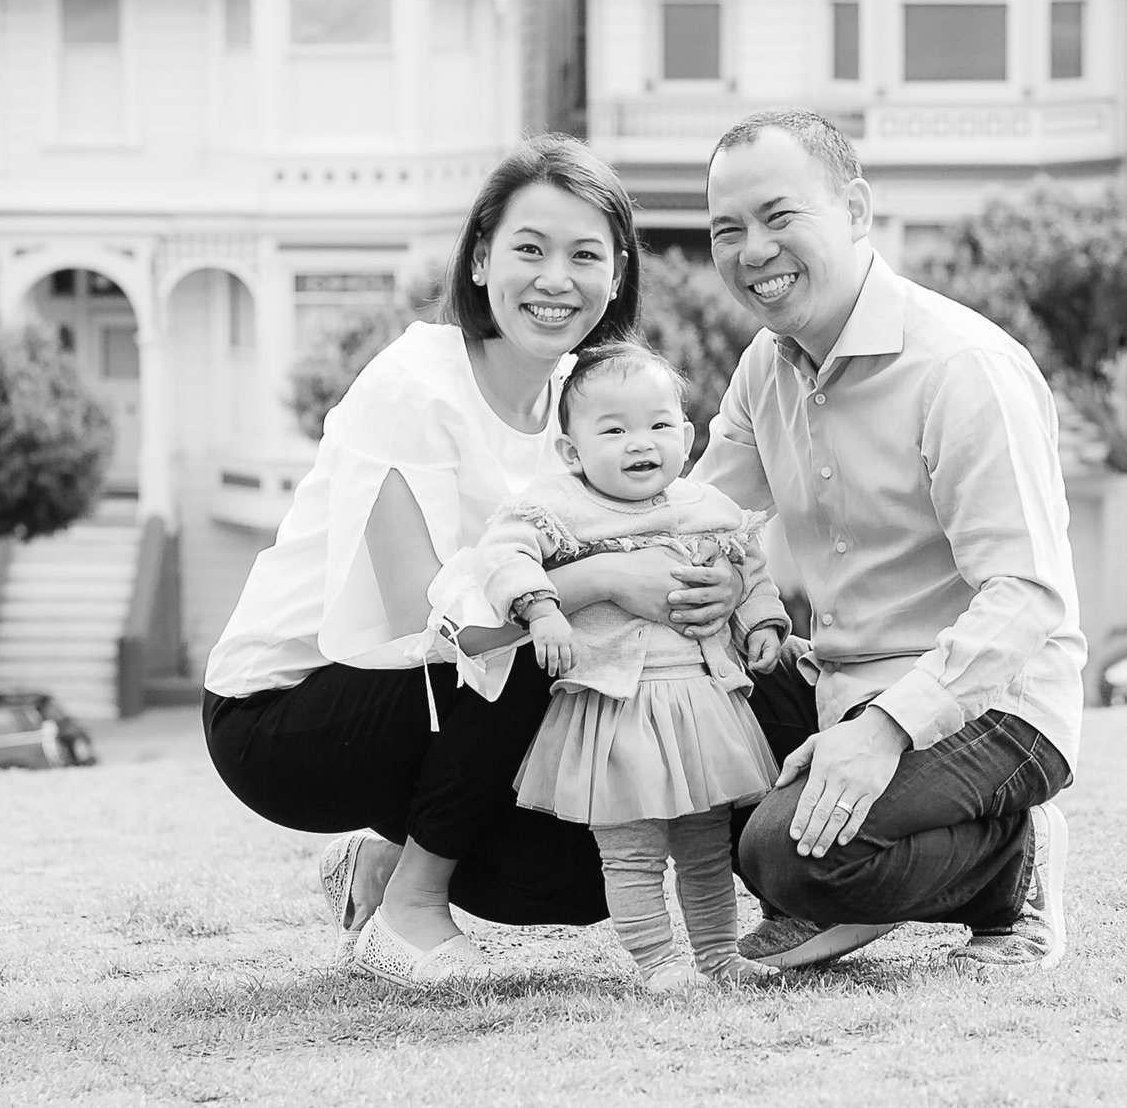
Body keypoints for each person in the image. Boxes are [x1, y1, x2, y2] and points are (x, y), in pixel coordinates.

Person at [202, 135, 750, 985]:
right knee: (533, 637)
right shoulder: (413, 383)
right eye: (529, 248)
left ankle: (380, 864)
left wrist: (711, 584)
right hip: (286, 712)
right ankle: (412, 908)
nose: (555, 278)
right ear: (483, 256)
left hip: (437, 704)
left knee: (579, 870)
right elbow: (430, 614)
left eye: (585, 255)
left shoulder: (585, 405)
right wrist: (601, 579)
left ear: (617, 274)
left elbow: (658, 531)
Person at [692, 108, 1087, 972]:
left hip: (995, 702)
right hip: (840, 679)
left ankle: (1009, 865)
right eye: (728, 229)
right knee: (684, 748)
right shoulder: (768, 365)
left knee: (780, 852)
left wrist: (884, 731)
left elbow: (1026, 599)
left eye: (779, 216)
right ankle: (835, 875)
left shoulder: (962, 368)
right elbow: (699, 519)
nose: (753, 249)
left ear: (857, 209)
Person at [449, 340, 789, 990]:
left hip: (698, 705)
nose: (642, 441)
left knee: (705, 844)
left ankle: (718, 955)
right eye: (615, 429)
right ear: (572, 450)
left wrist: (762, 621)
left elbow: (749, 568)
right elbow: (501, 554)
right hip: (615, 706)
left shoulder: (705, 507)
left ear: (687, 436)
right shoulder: (558, 506)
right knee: (631, 849)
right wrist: (542, 607)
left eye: (659, 424)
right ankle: (659, 962)